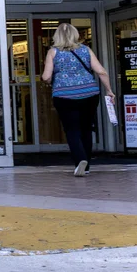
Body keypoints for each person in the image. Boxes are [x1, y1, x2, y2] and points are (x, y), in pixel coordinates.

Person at [41, 23, 115, 177]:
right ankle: (86, 166)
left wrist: (50, 80)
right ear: (75, 35)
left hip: (64, 96)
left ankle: (80, 160)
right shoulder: (86, 50)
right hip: (89, 94)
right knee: (86, 129)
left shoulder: (53, 52)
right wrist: (109, 90)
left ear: (57, 36)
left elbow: (46, 76)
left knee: (72, 130)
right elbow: (101, 71)